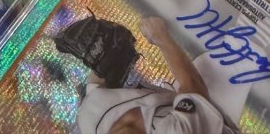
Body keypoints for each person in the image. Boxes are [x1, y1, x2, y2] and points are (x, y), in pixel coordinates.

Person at [73, 17, 242, 133]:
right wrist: (160, 36)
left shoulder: (90, 117)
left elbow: (97, 83)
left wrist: (100, 57)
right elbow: (194, 86)